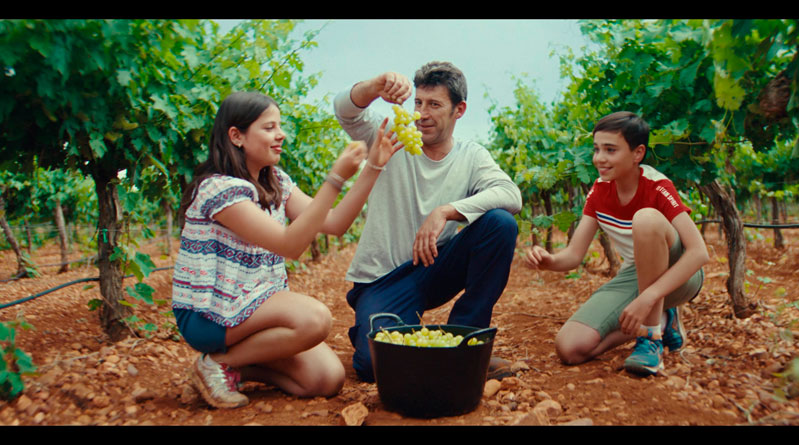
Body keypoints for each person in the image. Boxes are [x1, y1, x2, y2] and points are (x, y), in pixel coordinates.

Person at [171, 91, 401, 408]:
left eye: (279, 126)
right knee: (315, 319)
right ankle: (215, 364)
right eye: (268, 127)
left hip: (252, 307)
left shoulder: (276, 181)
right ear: (236, 136)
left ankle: (233, 365)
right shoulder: (218, 189)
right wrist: (335, 178)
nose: (280, 135)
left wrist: (373, 166)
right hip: (211, 314)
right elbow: (290, 245)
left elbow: (334, 223)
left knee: (325, 378)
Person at [333, 61, 523, 382]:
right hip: (384, 279)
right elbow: (345, 111)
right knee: (373, 366)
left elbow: (510, 195)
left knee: (500, 224)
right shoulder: (390, 136)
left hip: (434, 267)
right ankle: (383, 327)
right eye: (418, 102)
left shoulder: (470, 155)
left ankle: (467, 338)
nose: (421, 113)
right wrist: (375, 86)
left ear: (459, 110)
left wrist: (446, 210)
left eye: (434, 105)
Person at [524, 111, 709, 376]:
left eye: (610, 150)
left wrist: (649, 296)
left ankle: (651, 339)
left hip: (680, 275)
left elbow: (699, 253)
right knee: (570, 347)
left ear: (638, 153)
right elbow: (574, 255)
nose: (599, 158)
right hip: (637, 274)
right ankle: (665, 318)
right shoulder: (599, 191)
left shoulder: (657, 186)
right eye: (597, 149)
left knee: (645, 219)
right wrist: (548, 261)